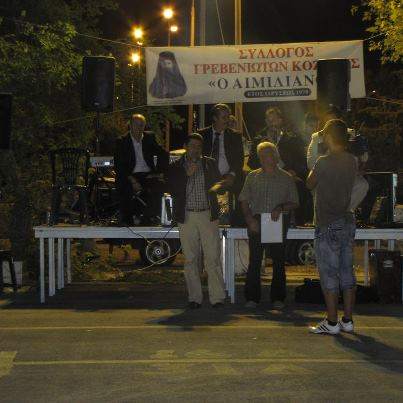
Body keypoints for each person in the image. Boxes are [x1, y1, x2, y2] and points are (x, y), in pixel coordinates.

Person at [307, 119, 357, 335]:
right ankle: (348, 320)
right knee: (347, 272)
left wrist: (319, 155)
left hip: (327, 222)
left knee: (329, 273)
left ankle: (332, 322)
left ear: (328, 137)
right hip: (347, 220)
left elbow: (309, 183)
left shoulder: (323, 161)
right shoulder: (352, 160)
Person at [166, 133, 226, 309]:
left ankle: (217, 298)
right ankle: (195, 298)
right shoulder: (176, 166)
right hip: (187, 216)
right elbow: (173, 189)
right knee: (191, 259)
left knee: (212, 258)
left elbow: (220, 186)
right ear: (185, 147)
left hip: (208, 215)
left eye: (199, 147)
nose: (196, 150)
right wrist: (186, 174)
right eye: (192, 146)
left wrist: (220, 185)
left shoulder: (209, 163)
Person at [239, 142, 299, 309]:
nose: (266, 158)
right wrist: (249, 219)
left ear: (276, 156)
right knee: (255, 260)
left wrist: (281, 207)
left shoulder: (286, 177)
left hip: (277, 220)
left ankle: (278, 298)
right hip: (257, 219)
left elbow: (295, 202)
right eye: (262, 155)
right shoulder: (252, 176)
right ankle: (252, 298)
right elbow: (243, 199)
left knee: (278, 261)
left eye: (269, 154)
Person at [248, 107, 309, 224]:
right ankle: (257, 220)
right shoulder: (259, 139)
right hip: (264, 175)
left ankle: (299, 222)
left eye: (274, 120)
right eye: (268, 120)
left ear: (280, 120)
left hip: (285, 174)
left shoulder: (291, 139)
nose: (271, 124)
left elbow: (301, 161)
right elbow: (251, 162)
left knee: (300, 185)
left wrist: (294, 171)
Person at [114, 114, 169, 225]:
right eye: (136, 125)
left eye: (142, 125)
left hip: (147, 174)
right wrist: (133, 180)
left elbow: (163, 153)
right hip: (130, 175)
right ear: (130, 126)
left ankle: (148, 218)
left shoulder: (149, 137)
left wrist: (159, 172)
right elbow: (119, 165)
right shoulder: (122, 141)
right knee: (125, 188)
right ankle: (127, 220)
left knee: (160, 186)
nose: (139, 128)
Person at [198, 104, 245, 225]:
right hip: (207, 176)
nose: (227, 120)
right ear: (215, 118)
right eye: (224, 117)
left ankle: (238, 222)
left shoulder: (235, 136)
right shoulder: (202, 135)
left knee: (241, 181)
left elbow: (239, 160)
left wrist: (232, 174)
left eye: (228, 117)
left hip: (228, 176)